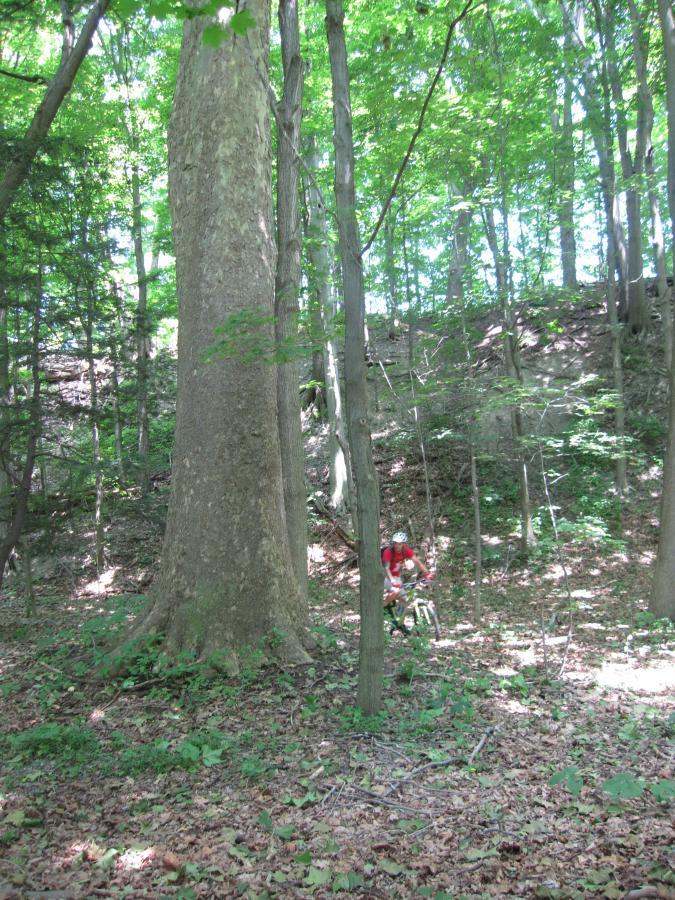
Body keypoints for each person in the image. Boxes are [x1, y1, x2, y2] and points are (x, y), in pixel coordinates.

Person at [382, 531, 433, 615]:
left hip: (395, 577)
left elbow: (417, 562)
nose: (397, 546)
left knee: (404, 599)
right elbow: (386, 569)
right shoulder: (388, 552)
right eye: (395, 543)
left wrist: (427, 573)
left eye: (399, 544)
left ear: (403, 544)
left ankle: (399, 622)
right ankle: (382, 607)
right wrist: (392, 581)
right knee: (396, 591)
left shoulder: (406, 551)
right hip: (384, 577)